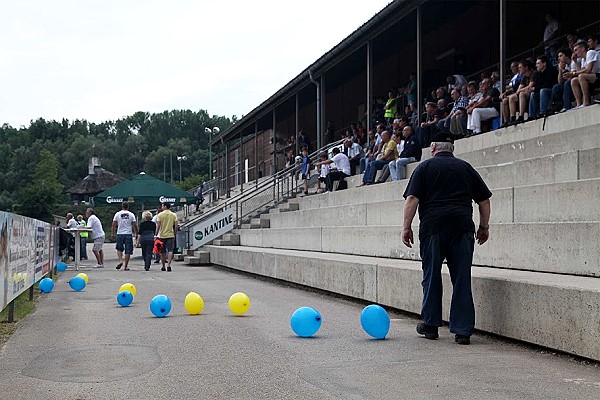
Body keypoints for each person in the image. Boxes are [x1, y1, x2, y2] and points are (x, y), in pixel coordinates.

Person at [402, 132, 492, 345]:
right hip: (462, 227)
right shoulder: (465, 167)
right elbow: (484, 201)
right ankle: (462, 331)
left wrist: (406, 227)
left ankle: (431, 325)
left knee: (432, 275)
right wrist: (484, 227)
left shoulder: (423, 168)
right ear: (452, 148)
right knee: (461, 277)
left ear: (433, 146)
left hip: (433, 227)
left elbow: (413, 198)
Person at [111, 201, 138, 271]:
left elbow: (113, 224)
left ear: (122, 206)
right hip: (128, 233)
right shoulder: (131, 214)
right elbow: (135, 225)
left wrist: (113, 234)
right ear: (128, 207)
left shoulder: (117, 214)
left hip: (120, 233)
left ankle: (120, 261)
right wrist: (137, 233)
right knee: (128, 250)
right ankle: (126, 266)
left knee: (119, 248)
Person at [155, 202, 179, 272]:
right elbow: (176, 225)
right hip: (170, 235)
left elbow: (158, 226)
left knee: (162, 252)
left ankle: (163, 266)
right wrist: (175, 233)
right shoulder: (174, 215)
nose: (161, 207)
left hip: (162, 235)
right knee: (170, 250)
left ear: (165, 206)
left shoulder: (160, 215)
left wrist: (156, 234)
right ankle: (169, 265)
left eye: (162, 206)